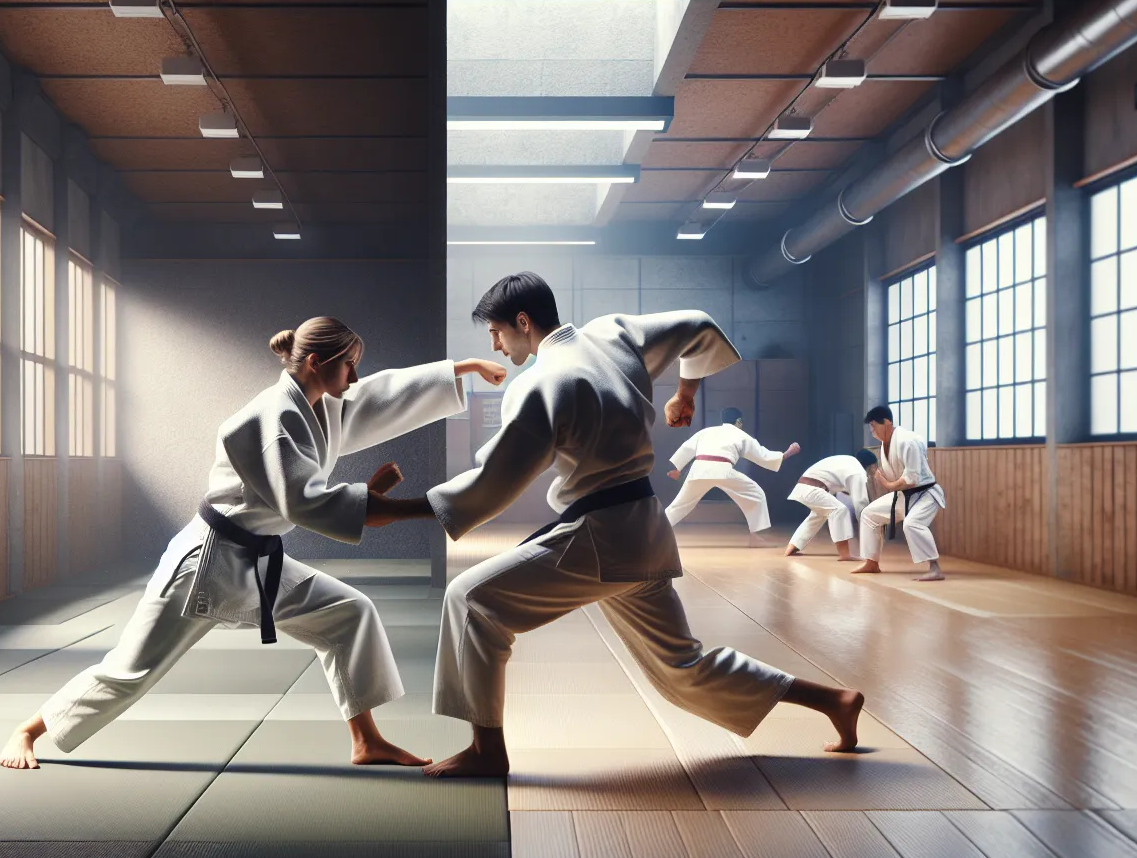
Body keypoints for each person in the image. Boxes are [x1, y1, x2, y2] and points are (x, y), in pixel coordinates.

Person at [369, 273, 865, 777]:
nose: (494, 343)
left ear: (523, 322)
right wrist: (686, 392)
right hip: (642, 529)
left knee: (470, 600)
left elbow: (491, 484)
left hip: (600, 537)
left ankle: (486, 752)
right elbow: (699, 325)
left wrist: (395, 510)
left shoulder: (541, 384)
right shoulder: (615, 334)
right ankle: (834, 701)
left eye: (496, 331)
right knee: (684, 670)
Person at [0, 317, 508, 769]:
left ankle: (366, 740)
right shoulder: (270, 420)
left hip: (257, 559)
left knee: (349, 613)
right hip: (205, 563)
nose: (353, 377)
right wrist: (423, 506)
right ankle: (28, 729)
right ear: (315, 362)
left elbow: (373, 397)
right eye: (348, 365)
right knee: (129, 671)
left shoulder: (316, 404)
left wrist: (459, 369)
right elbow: (304, 502)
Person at [662, 407, 798, 542]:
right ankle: (756, 537)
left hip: (698, 469)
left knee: (680, 505)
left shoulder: (706, 432)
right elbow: (763, 456)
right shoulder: (741, 435)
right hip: (723, 470)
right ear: (738, 421)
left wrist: (678, 470)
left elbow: (687, 448)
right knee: (756, 494)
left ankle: (656, 530)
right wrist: (788, 453)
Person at [854, 404, 946, 581]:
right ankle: (871, 563)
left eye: (874, 426)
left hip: (925, 495)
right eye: (871, 427)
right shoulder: (885, 444)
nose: (872, 430)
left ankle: (934, 568)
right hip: (904, 495)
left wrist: (887, 485)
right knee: (869, 514)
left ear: (887, 422)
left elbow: (912, 479)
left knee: (911, 524)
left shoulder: (907, 441)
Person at [783, 450, 877, 560]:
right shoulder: (858, 472)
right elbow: (861, 503)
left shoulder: (848, 462)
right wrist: (870, 529)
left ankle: (793, 545)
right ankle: (844, 554)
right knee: (839, 510)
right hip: (813, 489)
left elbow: (847, 490)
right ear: (871, 466)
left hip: (805, 487)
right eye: (874, 467)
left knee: (818, 516)